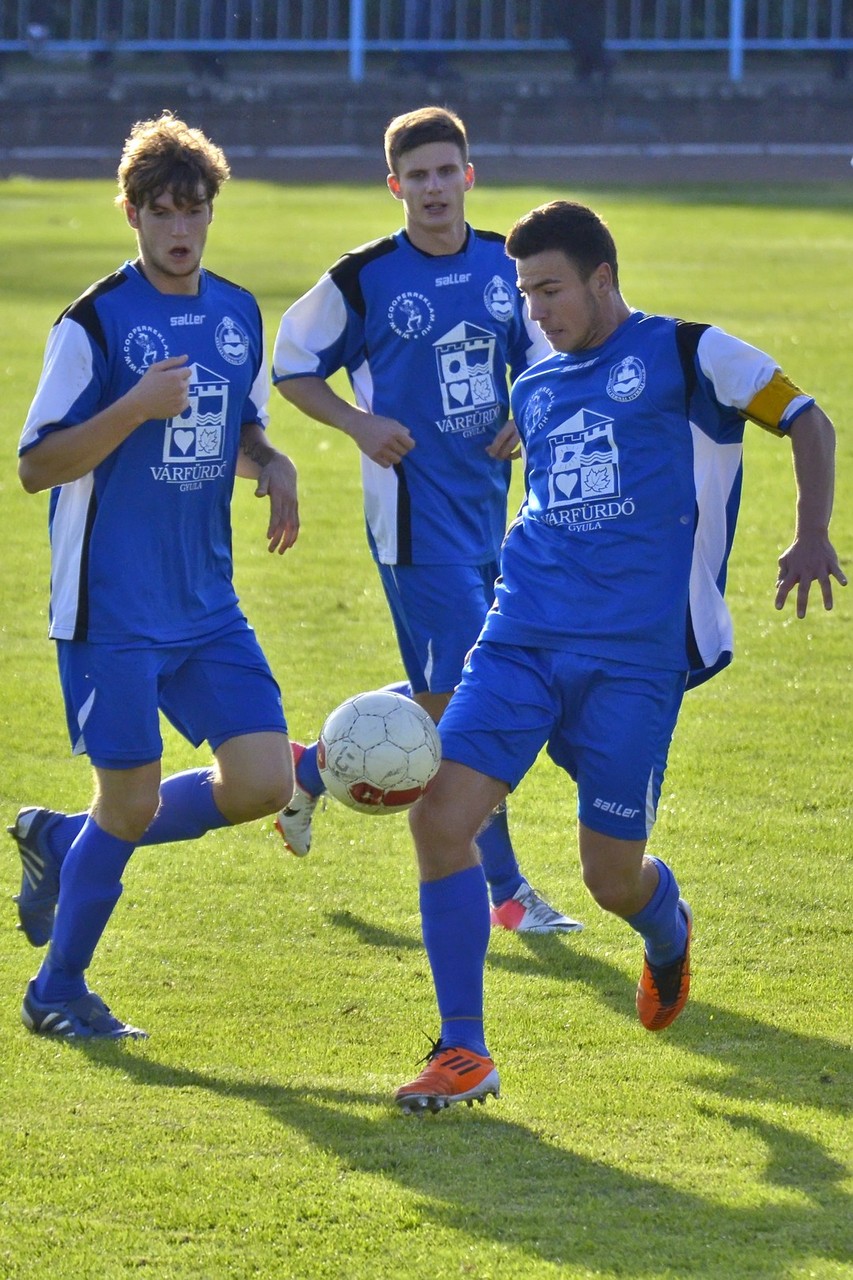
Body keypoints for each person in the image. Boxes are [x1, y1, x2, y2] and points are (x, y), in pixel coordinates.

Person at [393, 199, 846, 1113]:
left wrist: (810, 533)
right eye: (526, 294)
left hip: (633, 659)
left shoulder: (687, 351)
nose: (538, 311)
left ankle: (665, 928)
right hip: (520, 636)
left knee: (609, 878)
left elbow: (806, 418)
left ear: (602, 277)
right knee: (440, 819)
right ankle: (463, 1050)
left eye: (551, 289)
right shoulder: (535, 384)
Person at [8, 112, 300, 1040]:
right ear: (131, 213)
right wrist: (133, 407)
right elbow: (37, 464)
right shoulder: (92, 323)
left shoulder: (237, 312)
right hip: (112, 609)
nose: (180, 228)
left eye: (194, 209)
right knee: (130, 802)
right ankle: (57, 992)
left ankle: (65, 838)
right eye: (162, 211)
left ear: (212, 210)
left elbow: (237, 430)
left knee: (261, 782)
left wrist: (275, 464)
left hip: (206, 604)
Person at [271, 105, 580, 936]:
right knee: (476, 705)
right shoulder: (364, 277)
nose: (434, 187)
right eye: (418, 176)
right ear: (394, 186)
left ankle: (312, 766)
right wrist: (357, 423)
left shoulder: (506, 263)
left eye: (446, 171)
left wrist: (525, 414)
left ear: (468, 176)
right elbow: (291, 364)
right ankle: (505, 892)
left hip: (498, 519)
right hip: (413, 525)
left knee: (458, 694)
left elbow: (548, 356)